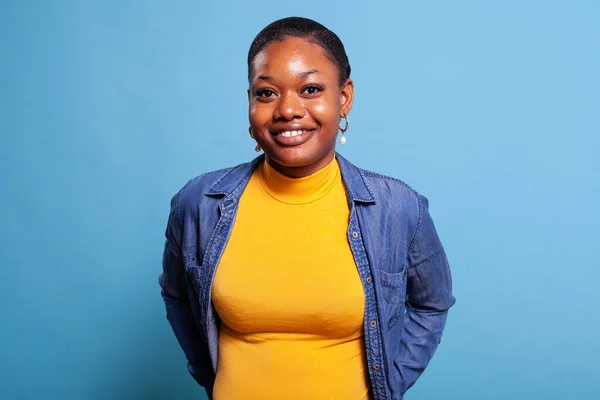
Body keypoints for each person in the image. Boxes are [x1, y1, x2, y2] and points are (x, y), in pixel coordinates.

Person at [159, 16, 455, 400]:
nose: (287, 110)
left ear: (344, 97)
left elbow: (432, 303)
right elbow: (177, 296)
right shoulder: (198, 203)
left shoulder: (397, 209)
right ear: (249, 100)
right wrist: (209, 374)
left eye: (310, 89)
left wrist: (390, 382)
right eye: (266, 93)